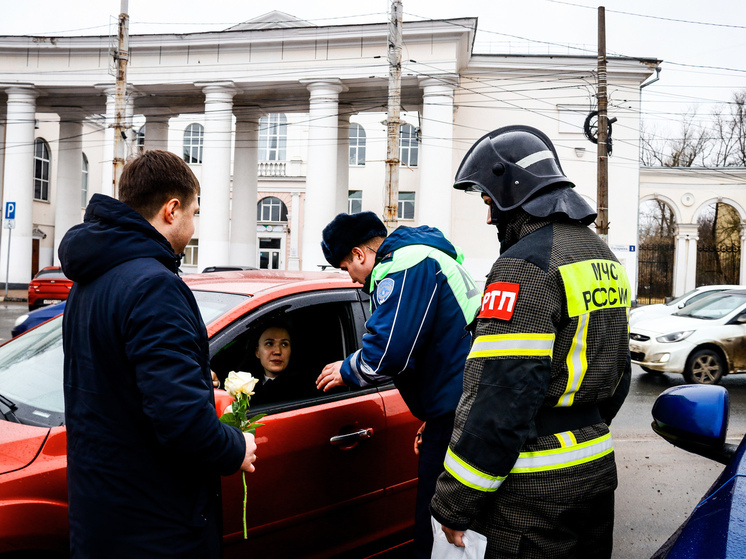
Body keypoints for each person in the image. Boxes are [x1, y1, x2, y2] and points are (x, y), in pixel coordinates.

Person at [430, 125, 631, 558]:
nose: (488, 217)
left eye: (488, 200)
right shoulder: (604, 257)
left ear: (512, 191)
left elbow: (500, 397)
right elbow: (620, 375)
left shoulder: (524, 265)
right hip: (595, 468)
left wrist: (453, 502)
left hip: (532, 492)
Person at [59, 150, 257, 559]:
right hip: (156, 524)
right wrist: (235, 447)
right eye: (193, 211)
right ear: (172, 209)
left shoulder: (93, 276)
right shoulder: (154, 285)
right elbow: (181, 419)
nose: (194, 223)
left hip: (103, 512)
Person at [316, 211, 482, 559]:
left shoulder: (405, 265)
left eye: (347, 267)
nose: (351, 279)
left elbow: (389, 354)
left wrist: (346, 369)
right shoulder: (429, 256)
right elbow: (442, 342)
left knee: (437, 527)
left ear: (360, 254)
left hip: (455, 418)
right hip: (462, 409)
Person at [251, 324, 303, 404]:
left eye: (284, 344)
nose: (277, 351)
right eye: (269, 344)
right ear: (257, 352)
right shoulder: (248, 386)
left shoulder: (304, 387)